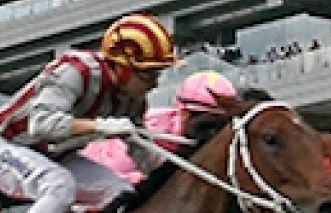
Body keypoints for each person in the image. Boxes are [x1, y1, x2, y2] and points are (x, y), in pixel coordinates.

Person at [0, 13, 180, 213]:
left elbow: (143, 153)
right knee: (59, 184)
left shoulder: (133, 99)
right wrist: (100, 127)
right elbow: (41, 124)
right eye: (148, 74)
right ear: (121, 67)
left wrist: (174, 173)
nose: (154, 83)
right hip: (11, 147)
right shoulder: (75, 71)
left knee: (121, 192)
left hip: (58, 156)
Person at [79, 68, 239, 185]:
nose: (212, 131)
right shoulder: (149, 127)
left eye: (220, 123)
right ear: (183, 112)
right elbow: (115, 173)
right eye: (204, 119)